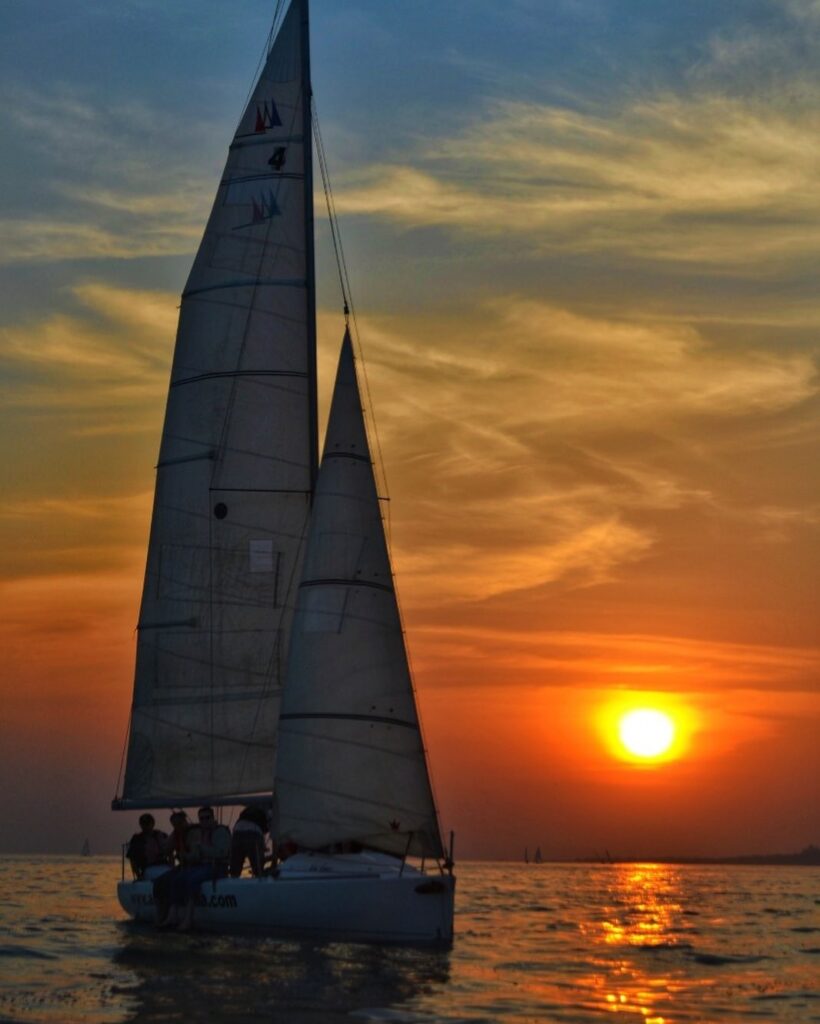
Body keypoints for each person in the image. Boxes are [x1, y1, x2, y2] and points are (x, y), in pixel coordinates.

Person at [164, 806, 231, 930]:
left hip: (217, 866)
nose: (204, 821)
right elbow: (196, 856)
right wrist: (185, 856)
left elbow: (222, 852)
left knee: (192, 879)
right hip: (202, 866)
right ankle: (173, 915)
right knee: (177, 879)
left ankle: (189, 918)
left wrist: (201, 848)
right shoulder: (201, 834)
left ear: (213, 818)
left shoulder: (220, 831)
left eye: (207, 818)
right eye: (202, 818)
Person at [152, 810, 189, 925]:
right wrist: (161, 841)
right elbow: (167, 849)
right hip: (182, 866)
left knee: (174, 881)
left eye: (179, 823)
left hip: (193, 865)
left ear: (184, 821)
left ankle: (173, 914)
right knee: (158, 882)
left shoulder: (193, 832)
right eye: (174, 824)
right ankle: (160, 914)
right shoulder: (175, 834)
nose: (177, 826)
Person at [126, 813, 170, 879]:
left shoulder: (162, 836)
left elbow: (170, 853)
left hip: (164, 866)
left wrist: (172, 868)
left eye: (148, 823)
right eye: (143, 824)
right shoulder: (137, 839)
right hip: (147, 867)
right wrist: (139, 875)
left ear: (153, 824)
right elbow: (132, 859)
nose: (146, 826)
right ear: (140, 825)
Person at [229, 805, 268, 878]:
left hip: (237, 831)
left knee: (235, 867)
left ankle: (233, 879)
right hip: (254, 833)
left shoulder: (247, 811)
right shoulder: (268, 812)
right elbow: (268, 830)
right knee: (258, 867)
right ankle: (259, 878)